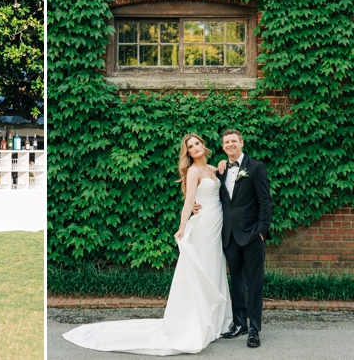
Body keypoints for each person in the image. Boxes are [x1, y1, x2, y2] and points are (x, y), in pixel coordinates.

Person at [63, 133, 232, 355]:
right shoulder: (193, 171)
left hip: (217, 222)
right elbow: (189, 200)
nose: (196, 148)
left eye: (197, 143)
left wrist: (223, 164)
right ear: (188, 153)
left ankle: (216, 320)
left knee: (215, 266)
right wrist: (182, 226)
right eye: (191, 146)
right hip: (203, 226)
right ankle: (200, 321)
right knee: (204, 268)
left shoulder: (213, 168)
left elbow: (223, 181)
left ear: (203, 144)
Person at [204, 129, 274, 348]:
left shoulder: (256, 167)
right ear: (223, 146)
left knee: (254, 282)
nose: (230, 144)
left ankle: (254, 328)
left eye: (234, 141)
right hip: (230, 236)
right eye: (226, 142)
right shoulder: (221, 170)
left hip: (252, 234)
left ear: (241, 143)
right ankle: (239, 323)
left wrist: (261, 231)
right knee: (236, 281)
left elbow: (266, 201)